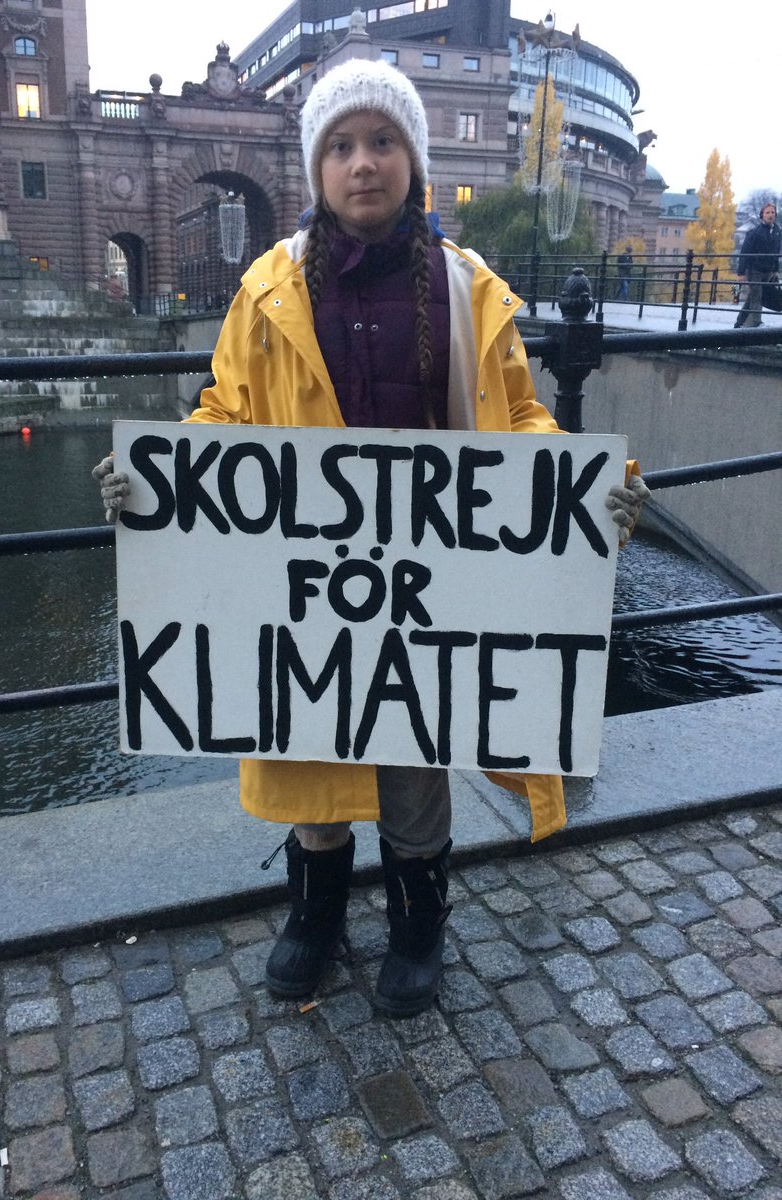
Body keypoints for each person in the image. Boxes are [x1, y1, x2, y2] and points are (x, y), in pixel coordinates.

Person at [93, 59, 649, 1017]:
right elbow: (225, 410)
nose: (363, 163)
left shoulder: (469, 288)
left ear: (412, 160)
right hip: (307, 591)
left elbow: (518, 419)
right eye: (342, 146)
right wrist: (165, 475)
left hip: (426, 595)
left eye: (382, 141)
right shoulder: (267, 288)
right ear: (316, 169)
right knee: (313, 765)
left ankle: (416, 927)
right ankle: (315, 917)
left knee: (415, 774)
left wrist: (587, 486)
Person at [734, 202, 781, 328]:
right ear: (762, 215)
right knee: (757, 295)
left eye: (772, 212)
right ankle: (756, 322)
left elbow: (776, 252)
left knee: (753, 297)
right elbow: (745, 252)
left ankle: (739, 323)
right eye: (768, 213)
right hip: (754, 269)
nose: (771, 215)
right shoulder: (755, 232)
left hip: (767, 270)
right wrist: (741, 272)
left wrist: (775, 270)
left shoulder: (777, 231)